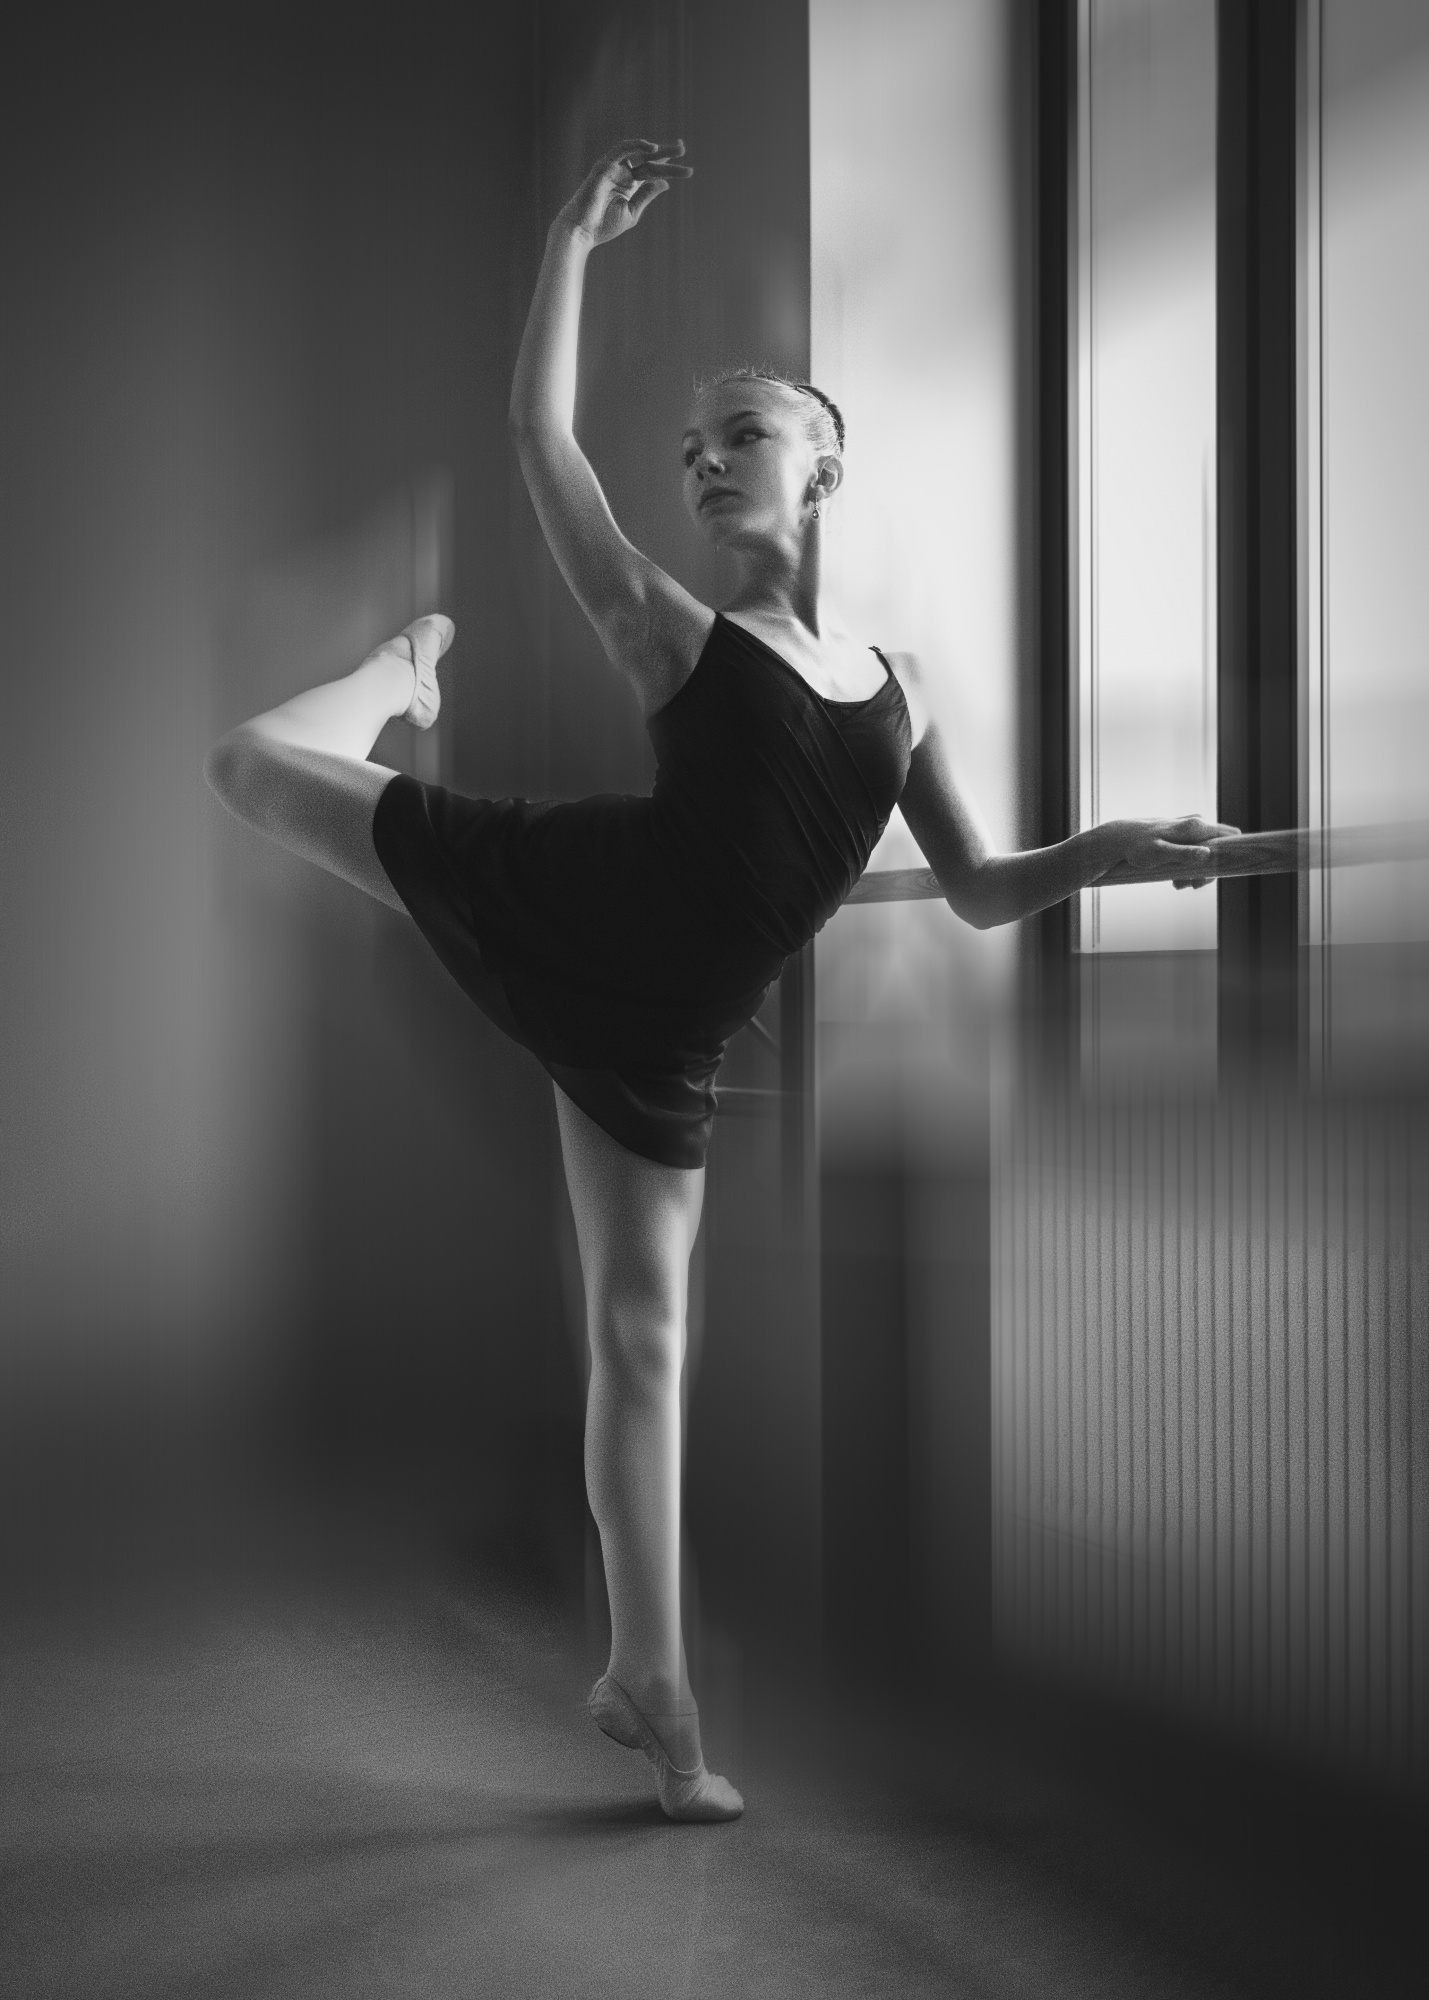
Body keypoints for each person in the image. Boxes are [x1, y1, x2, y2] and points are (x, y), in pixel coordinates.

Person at [205, 139, 1233, 1822]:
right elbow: (541, 447)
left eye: (739, 435)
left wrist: (1118, 847)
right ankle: (393, 674)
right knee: (249, 766)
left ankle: (651, 1687)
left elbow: (981, 894)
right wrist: (568, 239)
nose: (702, 463)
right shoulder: (675, 635)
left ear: (824, 468)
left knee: (642, 1338)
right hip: (565, 898)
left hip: (661, 1026)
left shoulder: (899, 690)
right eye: (689, 449)